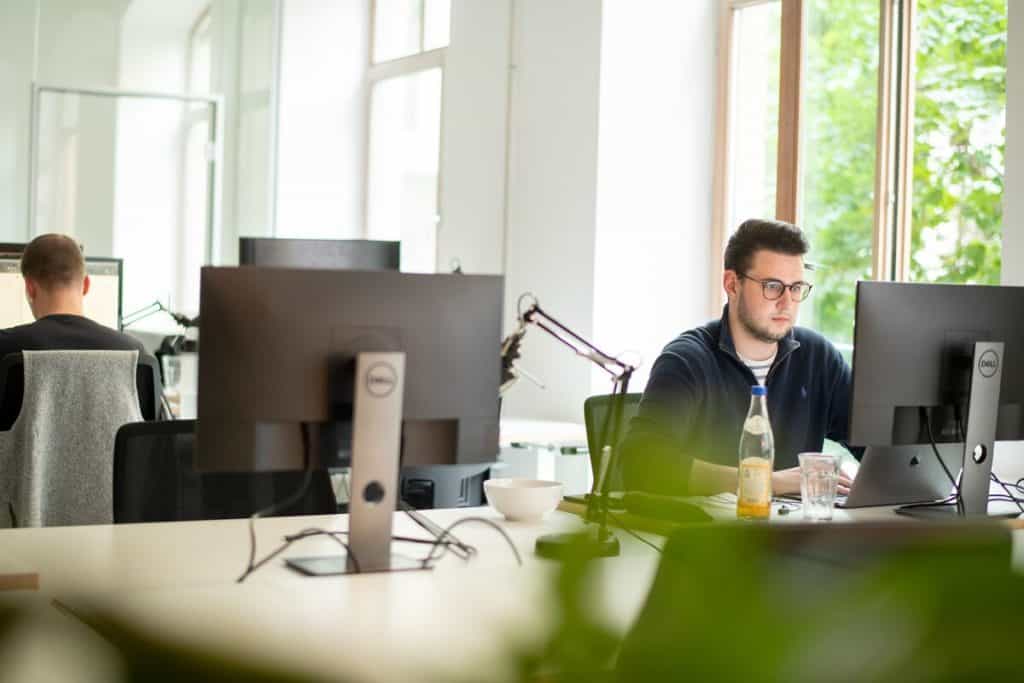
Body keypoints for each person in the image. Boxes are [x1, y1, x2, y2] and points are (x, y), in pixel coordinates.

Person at [621, 218, 857, 497]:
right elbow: (641, 464)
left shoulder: (818, 357)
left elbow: (877, 442)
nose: (787, 302)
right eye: (772, 286)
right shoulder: (687, 360)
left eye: (795, 287)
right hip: (710, 535)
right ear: (732, 284)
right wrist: (767, 482)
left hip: (794, 534)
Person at [0, 234, 150, 428]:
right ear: (86, 285)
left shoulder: (5, 347)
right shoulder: (134, 354)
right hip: (109, 460)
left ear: (30, 288)